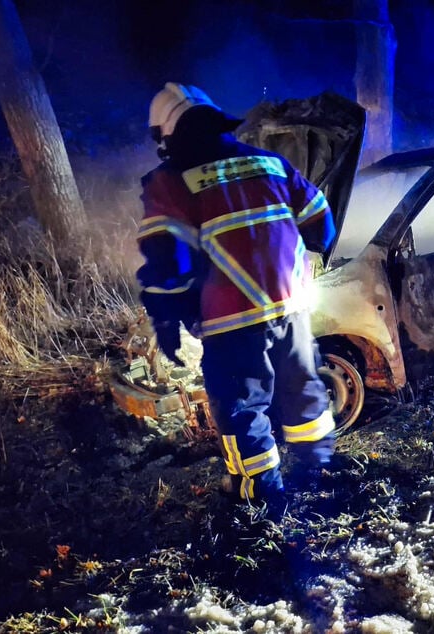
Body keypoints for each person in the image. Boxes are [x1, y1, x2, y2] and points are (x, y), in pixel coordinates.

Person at [137, 82, 336, 514]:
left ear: (166, 135)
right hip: (293, 309)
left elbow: (167, 258)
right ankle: (319, 478)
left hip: (231, 323)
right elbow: (321, 222)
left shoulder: (171, 182)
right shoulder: (271, 163)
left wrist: (167, 319)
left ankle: (261, 506)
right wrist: (294, 256)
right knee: (304, 392)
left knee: (243, 410)